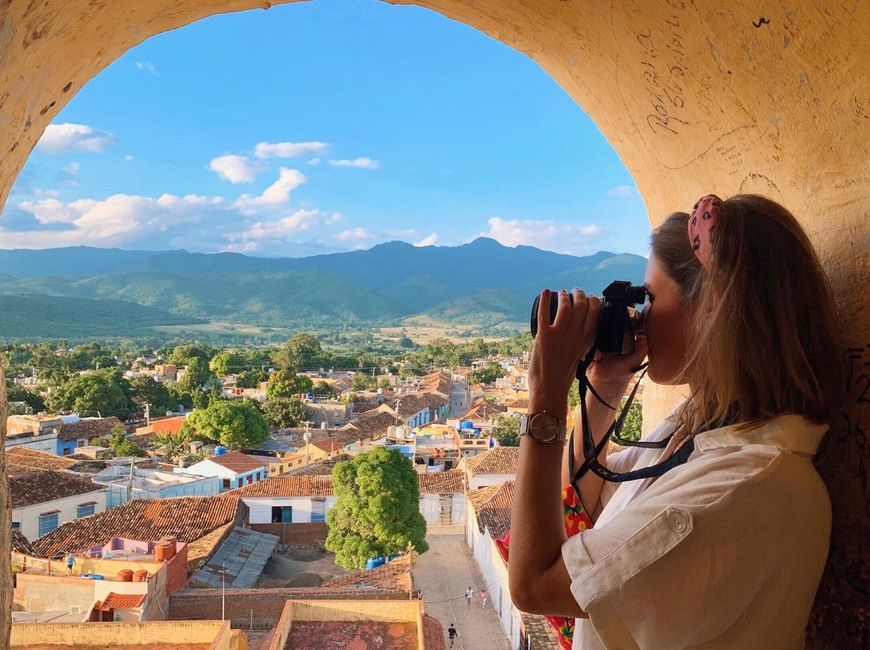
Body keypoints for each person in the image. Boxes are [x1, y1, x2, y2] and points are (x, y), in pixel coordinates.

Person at [508, 194, 843, 649]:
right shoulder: (700, 428)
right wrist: (605, 386)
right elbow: (577, 495)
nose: (638, 318)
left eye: (649, 297)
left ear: (714, 309)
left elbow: (533, 585)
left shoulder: (743, 487)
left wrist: (545, 396)